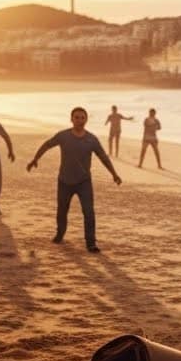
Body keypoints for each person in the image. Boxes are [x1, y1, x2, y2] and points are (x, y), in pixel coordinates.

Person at [27, 106, 122, 253]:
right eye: (76, 117)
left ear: (86, 120)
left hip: (84, 181)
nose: (79, 120)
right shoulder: (63, 136)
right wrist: (35, 159)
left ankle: (91, 243)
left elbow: (103, 157)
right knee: (62, 210)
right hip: (64, 180)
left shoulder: (91, 139)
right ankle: (60, 234)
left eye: (82, 117)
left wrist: (114, 174)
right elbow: (47, 145)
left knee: (89, 212)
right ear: (71, 119)